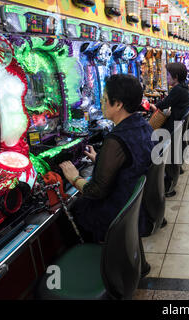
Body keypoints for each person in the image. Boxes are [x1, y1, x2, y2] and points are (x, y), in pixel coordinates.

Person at [59, 74, 154, 276]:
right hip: (133, 204)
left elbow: (96, 191)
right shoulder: (142, 124)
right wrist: (101, 160)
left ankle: (88, 270)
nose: (100, 104)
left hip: (117, 209)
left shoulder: (115, 139)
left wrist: (74, 177)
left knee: (71, 210)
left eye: (103, 99)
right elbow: (133, 160)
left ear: (118, 104)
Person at [151, 62, 189, 133]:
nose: (167, 77)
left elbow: (163, 105)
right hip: (178, 124)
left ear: (175, 77)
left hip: (173, 128)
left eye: (168, 75)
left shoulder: (178, 89)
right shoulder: (183, 87)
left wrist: (151, 105)